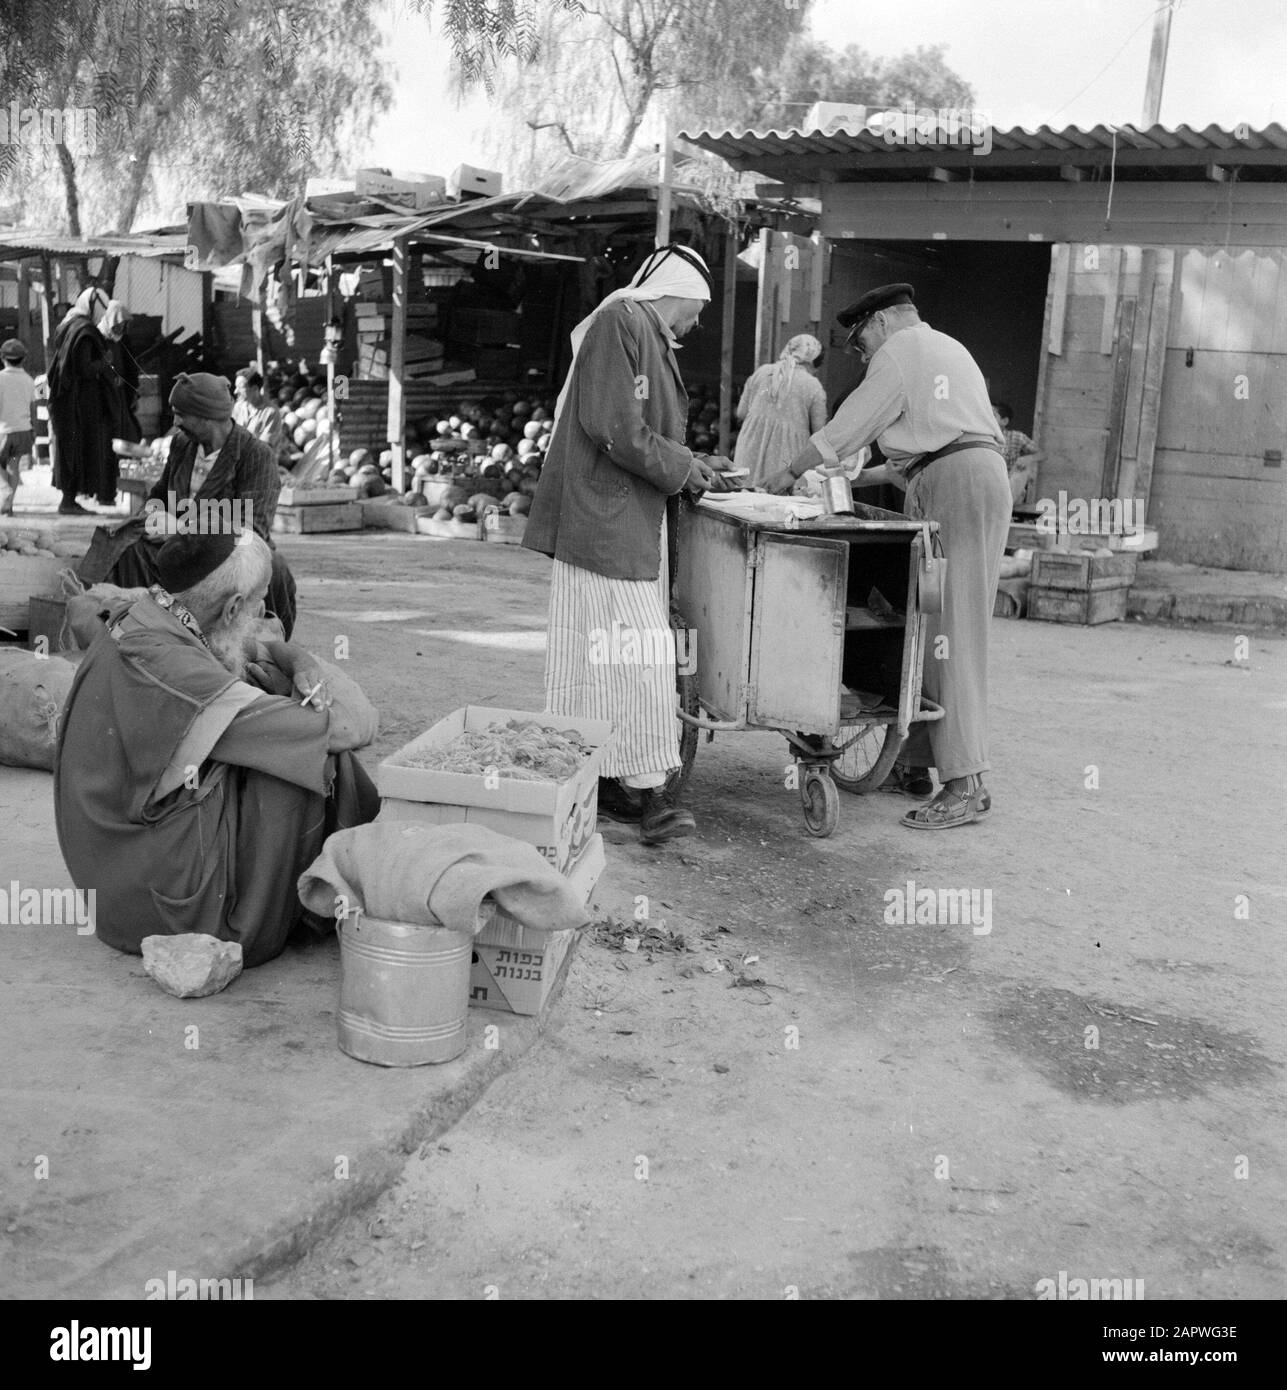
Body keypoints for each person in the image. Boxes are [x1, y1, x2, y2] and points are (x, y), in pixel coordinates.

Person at [54, 529, 379, 968]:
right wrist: (315, 693)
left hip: (114, 877)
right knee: (311, 760)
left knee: (281, 704)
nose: (262, 613)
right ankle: (297, 905)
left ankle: (331, 882)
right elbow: (348, 727)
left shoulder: (153, 613)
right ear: (229, 608)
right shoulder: (174, 667)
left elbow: (259, 647)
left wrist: (299, 662)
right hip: (161, 904)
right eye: (258, 602)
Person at [765, 283, 1011, 831]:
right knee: (924, 623)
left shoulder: (900, 352)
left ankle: (966, 783)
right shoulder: (942, 348)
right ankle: (915, 763)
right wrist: (845, 481)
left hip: (957, 485)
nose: (863, 355)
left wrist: (787, 473)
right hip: (958, 478)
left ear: (879, 323)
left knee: (952, 630)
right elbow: (901, 457)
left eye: (860, 345)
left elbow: (846, 431)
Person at [522, 243, 729, 846]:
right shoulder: (622, 321)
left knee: (599, 657)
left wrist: (690, 461)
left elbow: (642, 431)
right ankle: (651, 793)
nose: (697, 322)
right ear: (676, 290)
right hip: (605, 520)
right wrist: (680, 466)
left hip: (618, 519)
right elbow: (613, 425)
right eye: (698, 309)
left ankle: (604, 781)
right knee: (638, 654)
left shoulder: (645, 331)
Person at [87, 371, 298, 638]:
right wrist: (152, 515)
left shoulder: (255, 455)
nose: (175, 421)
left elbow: (252, 529)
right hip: (179, 549)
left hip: (226, 557)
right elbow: (160, 495)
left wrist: (181, 528)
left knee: (275, 568)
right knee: (128, 549)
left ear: (207, 416)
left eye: (181, 414)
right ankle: (132, 634)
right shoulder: (183, 444)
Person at [46, 286, 129, 513]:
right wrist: (104, 361)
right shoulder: (84, 330)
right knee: (75, 449)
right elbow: (84, 368)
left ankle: (70, 500)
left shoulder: (69, 324)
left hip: (68, 401)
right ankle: (68, 502)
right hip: (77, 403)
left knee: (71, 449)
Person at [733, 334, 828, 488]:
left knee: (745, 497)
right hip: (786, 454)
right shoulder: (813, 385)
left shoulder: (763, 371)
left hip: (750, 447)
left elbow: (741, 413)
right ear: (813, 362)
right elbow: (819, 432)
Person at [0, 337, 37, 516]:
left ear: (2, 358)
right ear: (24, 359)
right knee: (13, 467)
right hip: (23, 431)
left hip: (4, 432)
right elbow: (34, 407)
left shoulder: (0, 378)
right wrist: (34, 430)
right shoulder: (30, 380)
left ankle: (4, 488)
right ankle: (8, 507)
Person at [233, 367, 289, 467]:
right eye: (235, 387)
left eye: (240, 387)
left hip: (261, 468)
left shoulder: (271, 413)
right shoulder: (238, 407)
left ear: (255, 389)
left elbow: (263, 448)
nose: (235, 391)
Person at [992, 400, 1042, 506]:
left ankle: (1002, 504)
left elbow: (1042, 454)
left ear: (1004, 421)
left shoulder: (1016, 437)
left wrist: (1028, 459)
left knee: (1023, 469)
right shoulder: (983, 438)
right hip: (990, 488)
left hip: (1011, 489)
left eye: (993, 415)